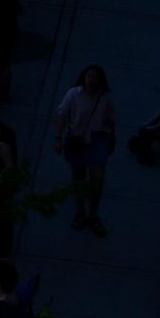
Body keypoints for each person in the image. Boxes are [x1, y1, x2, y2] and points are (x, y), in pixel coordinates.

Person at [51, 64, 117, 234]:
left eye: (95, 77)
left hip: (98, 139)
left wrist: (111, 137)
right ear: (84, 77)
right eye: (89, 76)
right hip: (78, 139)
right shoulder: (73, 94)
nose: (92, 80)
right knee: (79, 179)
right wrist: (58, 138)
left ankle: (93, 215)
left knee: (97, 181)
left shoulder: (105, 97)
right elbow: (62, 114)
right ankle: (80, 212)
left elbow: (110, 119)